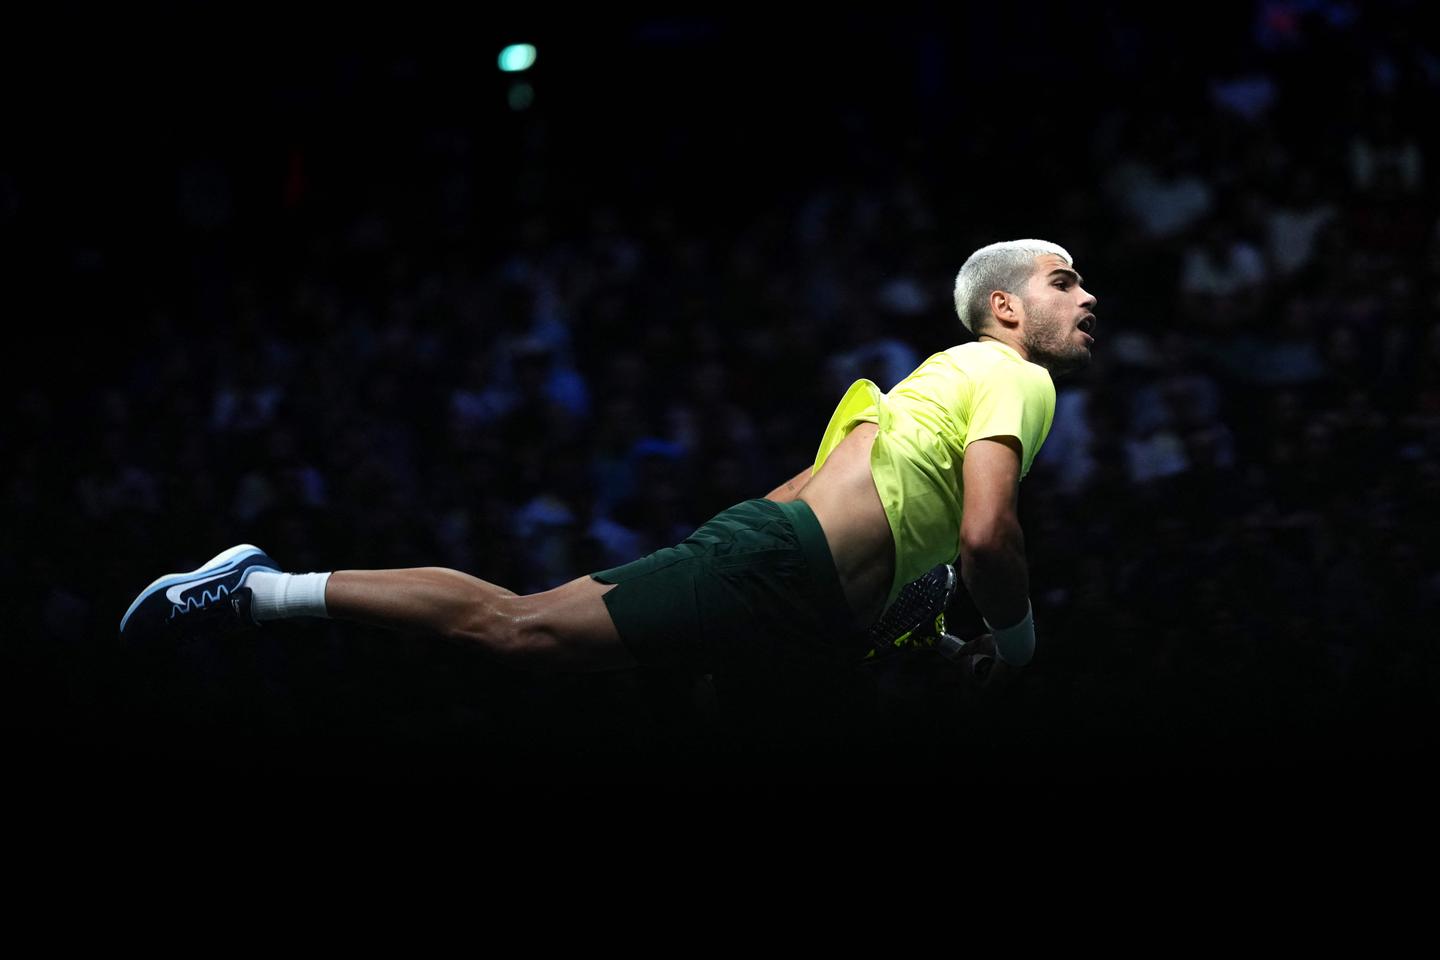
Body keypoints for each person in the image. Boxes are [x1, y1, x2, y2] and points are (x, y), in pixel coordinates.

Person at [120, 239, 1098, 742]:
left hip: (785, 598)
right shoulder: (1010, 373)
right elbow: (987, 539)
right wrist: (1016, 647)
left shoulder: (927, 392)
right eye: (1063, 282)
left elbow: (816, 494)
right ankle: (259, 589)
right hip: (769, 573)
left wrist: (929, 639)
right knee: (518, 630)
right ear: (1004, 307)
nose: (1086, 296)